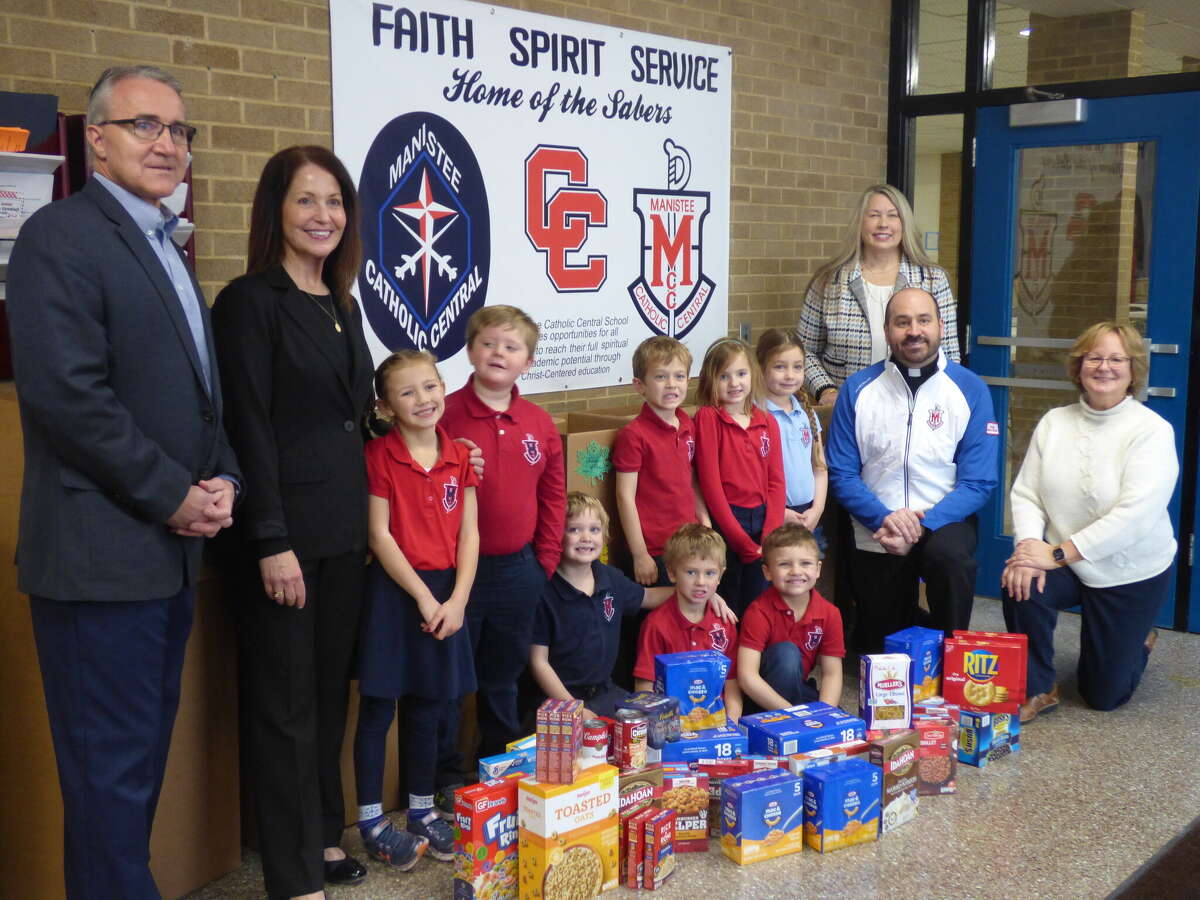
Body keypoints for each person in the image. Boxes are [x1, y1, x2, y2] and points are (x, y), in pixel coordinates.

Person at [6, 65, 240, 898]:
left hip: (165, 562)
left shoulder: (163, 245)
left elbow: (203, 401)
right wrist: (174, 493)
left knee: (131, 777)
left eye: (180, 131)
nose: (167, 144)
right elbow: (69, 397)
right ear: (96, 139)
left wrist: (223, 482)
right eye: (146, 126)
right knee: (108, 785)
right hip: (101, 564)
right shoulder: (59, 237)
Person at [211, 146, 376, 897]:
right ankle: (292, 875)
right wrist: (270, 541)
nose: (323, 217)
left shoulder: (343, 304)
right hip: (283, 540)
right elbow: (249, 427)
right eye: (307, 201)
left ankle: (320, 836)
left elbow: (350, 421)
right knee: (284, 709)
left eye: (335, 202)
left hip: (343, 535)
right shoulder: (250, 302)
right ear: (276, 208)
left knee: (324, 696)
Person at [1001, 322, 1178, 723]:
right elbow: (1027, 494)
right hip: (1070, 563)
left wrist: (1058, 553)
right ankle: (1038, 685)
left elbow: (1135, 517)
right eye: (1094, 357)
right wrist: (1030, 550)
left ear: (1133, 371)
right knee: (1019, 580)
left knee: (1102, 695)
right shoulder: (1054, 422)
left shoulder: (1152, 432)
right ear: (1078, 366)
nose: (1104, 367)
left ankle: (1140, 641)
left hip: (1130, 571)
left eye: (1117, 359)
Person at [353, 350, 479, 866]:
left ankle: (423, 810)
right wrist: (425, 598)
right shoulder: (379, 456)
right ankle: (370, 820)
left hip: (448, 594)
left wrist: (457, 599)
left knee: (431, 705)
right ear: (386, 407)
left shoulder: (460, 456)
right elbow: (379, 535)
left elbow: (470, 533)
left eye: (430, 386)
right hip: (394, 593)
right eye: (407, 392)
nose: (423, 399)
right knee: (379, 706)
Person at [826, 287, 998, 654]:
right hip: (876, 525)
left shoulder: (970, 390)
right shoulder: (858, 390)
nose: (914, 331)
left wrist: (921, 524)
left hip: (943, 522)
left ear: (940, 326)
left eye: (923, 320)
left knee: (950, 558)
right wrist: (884, 519)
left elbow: (979, 481)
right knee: (882, 650)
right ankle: (911, 625)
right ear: (887, 331)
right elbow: (841, 473)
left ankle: (953, 647)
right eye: (902, 322)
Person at [440, 306, 566, 764]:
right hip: (457, 575)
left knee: (503, 678)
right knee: (451, 681)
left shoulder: (539, 423)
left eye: (512, 347)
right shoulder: (445, 415)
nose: (499, 353)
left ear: (527, 363)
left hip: (519, 571)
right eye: (489, 343)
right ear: (471, 351)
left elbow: (554, 497)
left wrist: (543, 563)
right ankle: (444, 779)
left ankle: (496, 768)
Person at [529, 494, 733, 718]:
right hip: (559, 699)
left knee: (640, 732)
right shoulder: (544, 590)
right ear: (555, 534)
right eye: (574, 529)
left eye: (594, 530)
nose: (586, 537)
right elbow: (539, 662)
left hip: (605, 693)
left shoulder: (610, 578)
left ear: (605, 536)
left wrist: (702, 594)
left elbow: (648, 596)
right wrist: (574, 709)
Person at [798, 184, 960, 405]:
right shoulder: (829, 281)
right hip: (848, 410)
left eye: (893, 216)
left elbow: (950, 354)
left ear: (904, 224)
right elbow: (803, 351)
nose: (883, 224)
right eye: (874, 215)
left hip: (916, 407)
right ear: (860, 223)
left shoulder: (932, 280)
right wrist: (826, 390)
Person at [694, 338, 785, 617]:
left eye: (741, 374)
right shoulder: (708, 418)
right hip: (727, 522)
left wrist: (768, 537)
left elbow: (777, 482)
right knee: (727, 605)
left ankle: (752, 658)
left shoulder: (767, 421)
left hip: (763, 521)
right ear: (711, 380)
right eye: (724, 376)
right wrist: (739, 541)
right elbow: (710, 485)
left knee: (757, 606)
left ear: (753, 375)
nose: (734, 383)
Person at [614, 336, 710, 587]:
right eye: (660, 377)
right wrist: (640, 554)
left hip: (688, 542)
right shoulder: (633, 435)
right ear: (640, 385)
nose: (671, 384)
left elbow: (689, 478)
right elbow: (625, 496)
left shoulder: (688, 424)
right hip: (655, 550)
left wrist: (704, 519)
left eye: (679, 376)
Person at [633, 523, 743, 722]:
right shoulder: (656, 624)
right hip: (668, 723)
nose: (701, 581)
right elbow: (644, 687)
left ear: (720, 575)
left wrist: (731, 724)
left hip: (716, 723)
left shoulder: (725, 624)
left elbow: (732, 685)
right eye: (691, 572)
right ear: (672, 573)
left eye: (709, 573)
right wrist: (660, 726)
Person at [737, 524, 844, 710]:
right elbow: (747, 677)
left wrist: (826, 715)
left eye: (805, 563)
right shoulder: (758, 611)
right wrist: (793, 715)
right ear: (767, 572)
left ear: (818, 569)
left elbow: (831, 674)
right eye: (784, 564)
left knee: (839, 718)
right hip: (760, 698)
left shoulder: (830, 613)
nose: (796, 571)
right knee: (787, 653)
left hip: (797, 690)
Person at [756, 329, 828, 541]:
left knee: (805, 573)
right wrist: (778, 511)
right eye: (780, 367)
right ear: (761, 368)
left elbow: (820, 468)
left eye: (797, 367)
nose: (790, 375)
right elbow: (751, 477)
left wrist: (817, 509)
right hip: (771, 513)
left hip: (808, 514)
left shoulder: (807, 413)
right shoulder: (755, 416)